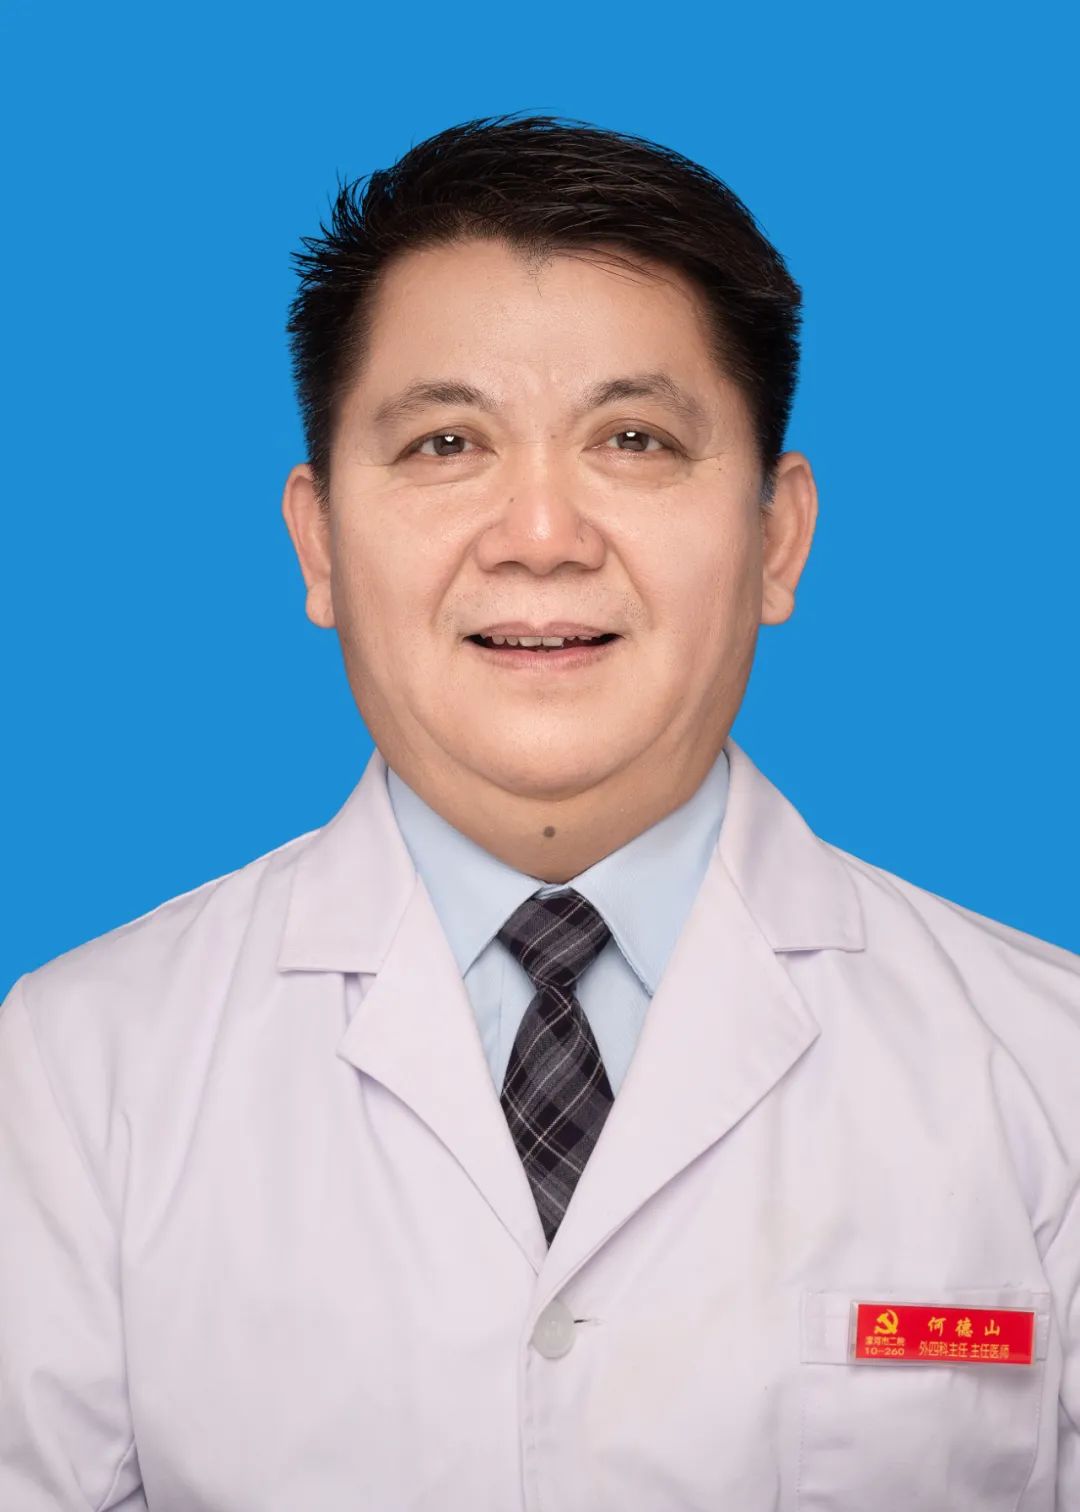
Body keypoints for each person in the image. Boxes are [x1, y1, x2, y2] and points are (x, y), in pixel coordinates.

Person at [1, 114, 1077, 1512]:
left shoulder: (1046, 1065)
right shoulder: (77, 1071)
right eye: (447, 441)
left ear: (776, 536)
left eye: (634, 438)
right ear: (320, 542)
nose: (542, 536)